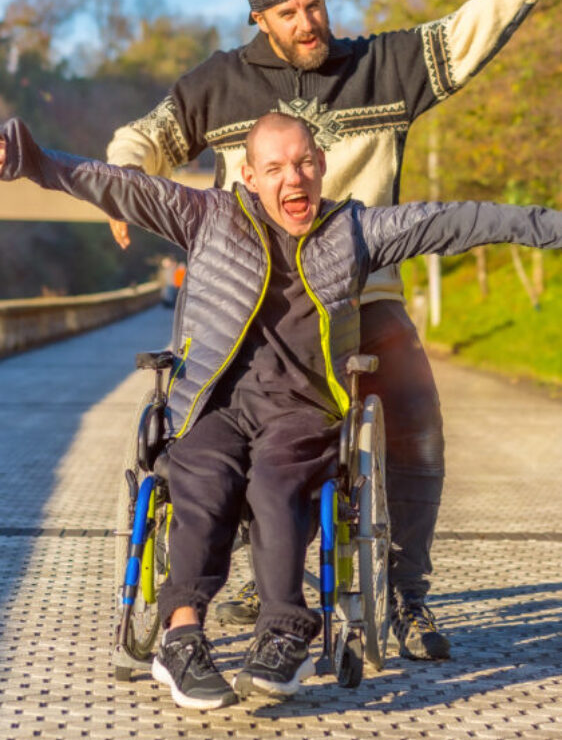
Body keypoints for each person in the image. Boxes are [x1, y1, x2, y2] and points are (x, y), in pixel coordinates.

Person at [104, 0, 562, 661]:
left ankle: (409, 595)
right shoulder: (219, 83)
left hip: (363, 293)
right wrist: (125, 179)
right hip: (258, 305)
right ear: (262, 19)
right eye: (289, 12)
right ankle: (256, 569)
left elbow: (478, 23)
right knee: (233, 423)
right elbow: (146, 136)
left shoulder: (382, 66)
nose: (308, 19)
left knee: (414, 418)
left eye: (314, 3)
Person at [1, 112, 561, 709]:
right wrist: (30, 159)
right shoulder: (207, 216)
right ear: (249, 176)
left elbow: (457, 221)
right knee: (203, 479)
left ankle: (283, 631)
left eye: (302, 164)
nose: (292, 179)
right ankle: (181, 634)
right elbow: (117, 184)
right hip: (215, 401)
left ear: (321, 166)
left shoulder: (355, 231)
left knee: (277, 485)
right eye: (274, 168)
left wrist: (548, 226)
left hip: (301, 410)